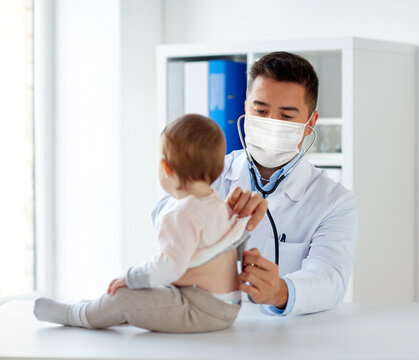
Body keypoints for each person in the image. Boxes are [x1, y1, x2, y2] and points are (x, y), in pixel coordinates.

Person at [33, 114, 267, 333]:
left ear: (166, 168)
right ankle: (101, 308)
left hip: (201, 308)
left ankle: (78, 314)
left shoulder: (180, 214)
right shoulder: (215, 204)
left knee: (125, 296)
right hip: (224, 306)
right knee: (149, 293)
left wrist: (131, 277)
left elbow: (169, 268)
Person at [178, 51, 358, 316]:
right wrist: (213, 217)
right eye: (261, 110)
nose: (272, 123)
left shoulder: (334, 201)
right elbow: (165, 221)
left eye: (286, 116)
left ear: (311, 124)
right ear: (245, 108)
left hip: (285, 339)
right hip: (205, 324)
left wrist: (280, 291)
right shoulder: (208, 173)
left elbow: (330, 278)